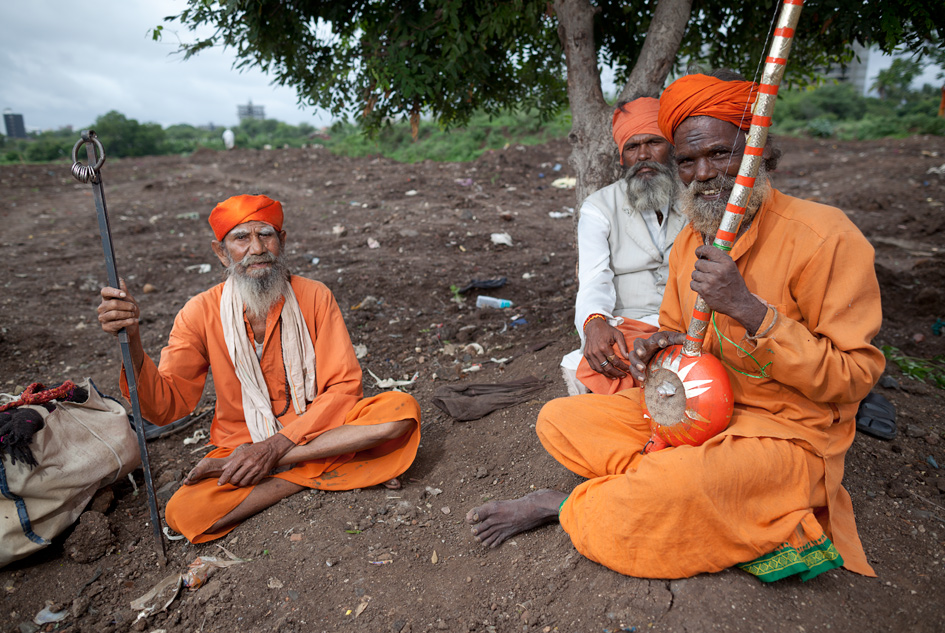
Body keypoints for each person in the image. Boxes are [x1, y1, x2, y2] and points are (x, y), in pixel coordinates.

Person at [467, 72, 885, 582]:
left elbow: (854, 376)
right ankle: (670, 481)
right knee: (560, 419)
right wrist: (660, 352)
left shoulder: (826, 236)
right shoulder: (693, 238)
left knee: (673, 488)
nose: (703, 174)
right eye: (687, 161)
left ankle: (568, 505)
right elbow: (678, 336)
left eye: (720, 154)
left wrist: (751, 310)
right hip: (697, 414)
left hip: (785, 433)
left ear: (759, 153)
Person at [98, 194, 421, 543]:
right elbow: (166, 406)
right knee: (182, 512)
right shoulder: (199, 313)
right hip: (242, 444)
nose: (256, 248)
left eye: (266, 235)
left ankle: (287, 468)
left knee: (400, 413)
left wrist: (273, 450)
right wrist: (131, 341)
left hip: (318, 431)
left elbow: (344, 388)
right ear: (222, 252)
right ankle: (325, 470)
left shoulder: (315, 296)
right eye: (241, 238)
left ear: (282, 242)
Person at [560, 97, 687, 396]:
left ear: (671, 148)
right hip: (632, 326)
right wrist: (594, 323)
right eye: (632, 147)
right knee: (603, 362)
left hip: (689, 320)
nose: (643, 154)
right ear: (622, 157)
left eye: (653, 142)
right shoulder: (599, 207)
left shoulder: (696, 197)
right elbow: (594, 277)